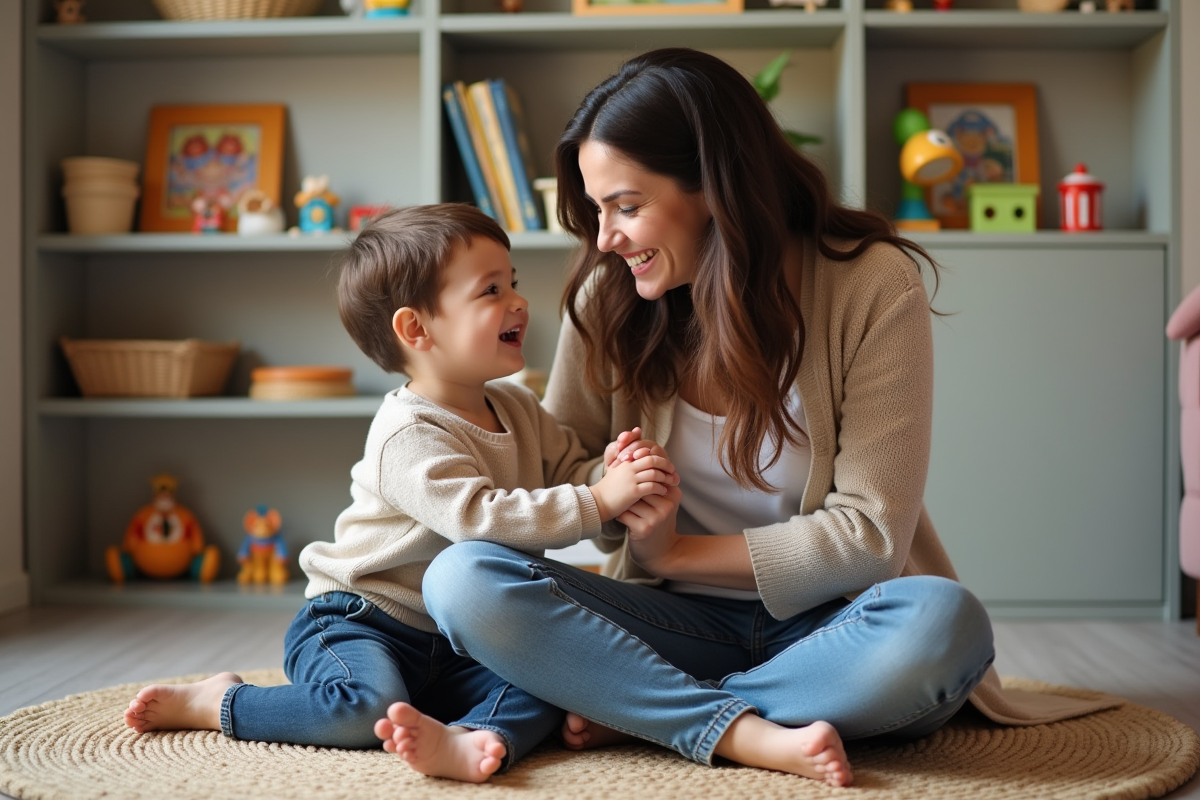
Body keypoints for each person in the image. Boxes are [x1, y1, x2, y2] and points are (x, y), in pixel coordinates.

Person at [420, 48, 1118, 788]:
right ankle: (738, 725)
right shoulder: (610, 300)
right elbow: (568, 481)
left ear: (716, 187)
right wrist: (619, 499)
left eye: (625, 206)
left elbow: (873, 538)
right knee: (463, 578)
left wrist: (676, 553)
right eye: (597, 211)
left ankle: (657, 710)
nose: (605, 239)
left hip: (836, 629)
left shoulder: (871, 285)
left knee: (945, 625)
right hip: (671, 627)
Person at [122, 204, 679, 784]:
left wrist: (612, 473)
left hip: (458, 639)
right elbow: (478, 521)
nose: (518, 302)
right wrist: (601, 499)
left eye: (512, 282)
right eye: (490, 290)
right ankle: (218, 703)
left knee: (549, 678)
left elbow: (570, 472)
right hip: (361, 619)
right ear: (416, 329)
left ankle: (471, 737)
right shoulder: (407, 434)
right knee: (362, 709)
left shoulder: (517, 406)